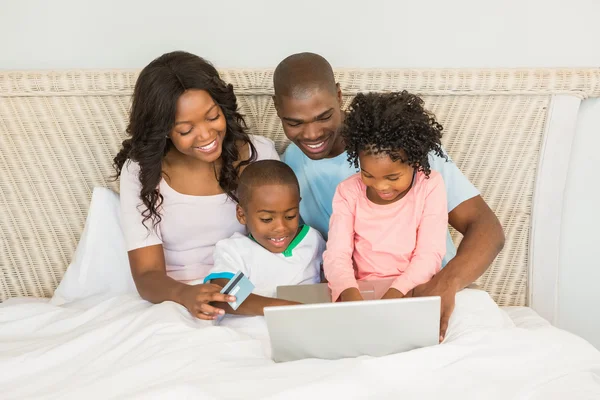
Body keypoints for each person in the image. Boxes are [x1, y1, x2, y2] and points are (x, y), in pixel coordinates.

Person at [273, 52, 505, 340]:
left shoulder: (407, 148)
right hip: (359, 299)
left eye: (324, 116)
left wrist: (445, 283)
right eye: (295, 122)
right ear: (277, 109)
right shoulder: (285, 170)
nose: (311, 133)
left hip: (428, 289)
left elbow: (488, 229)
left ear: (338, 95)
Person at [114, 51, 279, 320]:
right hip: (177, 299)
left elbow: (281, 239)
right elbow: (147, 275)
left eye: (212, 117)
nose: (205, 135)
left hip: (251, 291)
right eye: (185, 130)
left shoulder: (258, 153)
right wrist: (186, 295)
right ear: (164, 130)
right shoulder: (141, 172)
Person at [323, 91, 447, 305]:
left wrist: (394, 297)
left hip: (413, 290)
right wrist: (351, 295)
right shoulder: (348, 191)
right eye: (368, 174)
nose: (381, 186)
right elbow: (337, 254)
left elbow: (429, 254)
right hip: (360, 293)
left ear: (414, 161)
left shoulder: (430, 186)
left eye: (393, 177)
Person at [205, 160, 325, 316]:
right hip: (252, 327)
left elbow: (332, 279)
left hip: (306, 322)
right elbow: (225, 297)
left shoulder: (312, 240)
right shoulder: (237, 250)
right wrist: (289, 308)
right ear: (242, 214)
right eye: (267, 219)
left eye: (290, 216)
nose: (281, 227)